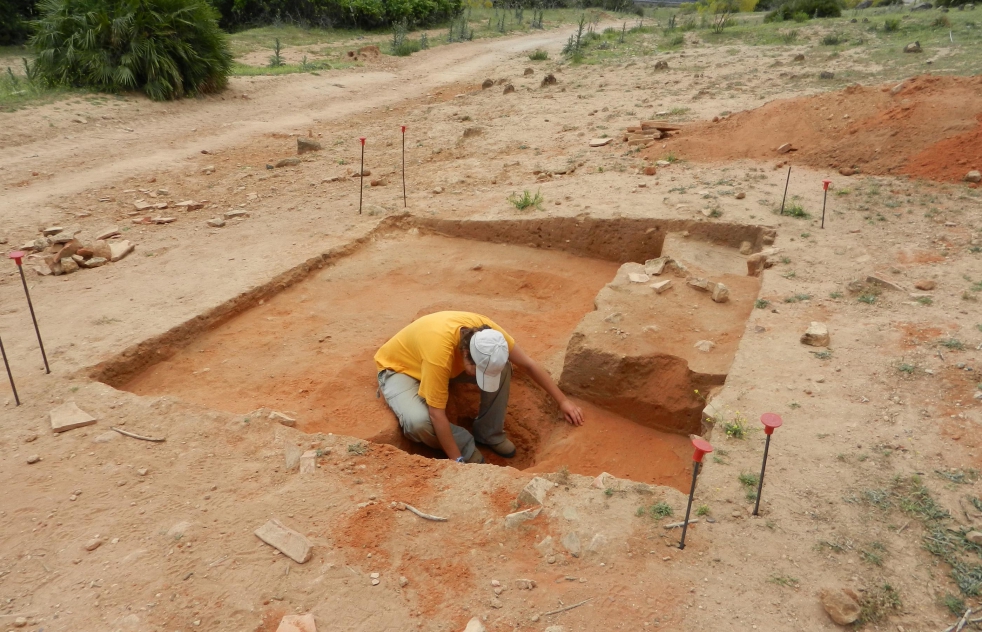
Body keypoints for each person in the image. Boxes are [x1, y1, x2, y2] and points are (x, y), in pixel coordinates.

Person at [375, 311, 584, 463]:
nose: (479, 377)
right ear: (465, 353)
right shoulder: (439, 354)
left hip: (440, 364)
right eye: (477, 370)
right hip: (402, 369)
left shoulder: (491, 338)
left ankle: (489, 433)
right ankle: (466, 445)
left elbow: (528, 364)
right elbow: (436, 414)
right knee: (417, 422)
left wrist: (563, 400)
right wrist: (457, 460)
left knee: (502, 369)